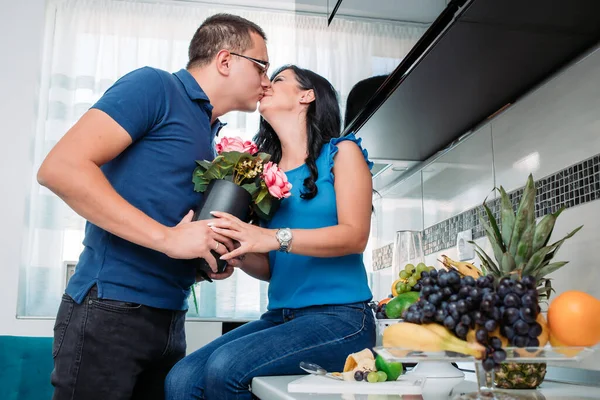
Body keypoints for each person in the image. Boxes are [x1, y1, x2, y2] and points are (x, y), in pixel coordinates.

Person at [37, 13, 272, 400]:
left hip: (168, 319)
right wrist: (168, 239)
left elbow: (166, 218)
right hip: (109, 309)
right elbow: (60, 168)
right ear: (225, 60)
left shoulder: (210, 133)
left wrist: (203, 262)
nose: (266, 80)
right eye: (262, 66)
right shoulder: (155, 86)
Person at [164, 65, 376, 400]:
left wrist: (274, 237)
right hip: (281, 316)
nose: (266, 85)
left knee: (225, 368)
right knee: (182, 379)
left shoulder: (341, 152)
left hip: (343, 319)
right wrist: (239, 248)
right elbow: (270, 267)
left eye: (278, 80)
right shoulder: (264, 174)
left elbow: (355, 236)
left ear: (307, 96)